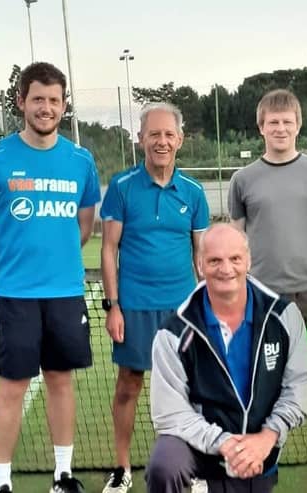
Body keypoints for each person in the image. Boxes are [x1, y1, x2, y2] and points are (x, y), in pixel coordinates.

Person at [0, 62, 101, 493]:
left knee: (61, 382)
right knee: (12, 387)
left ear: (64, 106)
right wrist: (7, 268)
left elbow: (84, 226)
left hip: (65, 294)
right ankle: (1, 483)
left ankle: (63, 476)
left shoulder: (81, 160)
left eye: (54, 100)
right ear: (21, 101)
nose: (46, 108)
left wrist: (56, 263)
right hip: (15, 295)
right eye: (38, 99)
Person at [146, 223, 307, 493]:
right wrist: (224, 443)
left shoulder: (283, 316)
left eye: (234, 259)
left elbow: (300, 387)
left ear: (248, 261)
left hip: (258, 450)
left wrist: (267, 437)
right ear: (200, 265)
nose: (226, 269)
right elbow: (170, 413)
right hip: (199, 447)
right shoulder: (173, 332)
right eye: (214, 261)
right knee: (165, 462)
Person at [228, 89, 307, 477]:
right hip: (264, 297)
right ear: (261, 127)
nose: (280, 128)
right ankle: (263, 454)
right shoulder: (243, 179)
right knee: (265, 380)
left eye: (287, 121)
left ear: (298, 125)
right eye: (272, 122)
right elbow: (236, 241)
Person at [100, 102, 210, 493]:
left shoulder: (194, 193)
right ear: (141, 138)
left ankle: (192, 467)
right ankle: (122, 467)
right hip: (134, 307)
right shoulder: (122, 187)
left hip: (182, 312)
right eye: (154, 134)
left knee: (190, 388)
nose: (161, 141)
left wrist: (206, 309)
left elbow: (202, 257)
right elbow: (108, 250)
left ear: (179, 140)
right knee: (129, 384)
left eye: (168, 135)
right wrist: (113, 307)